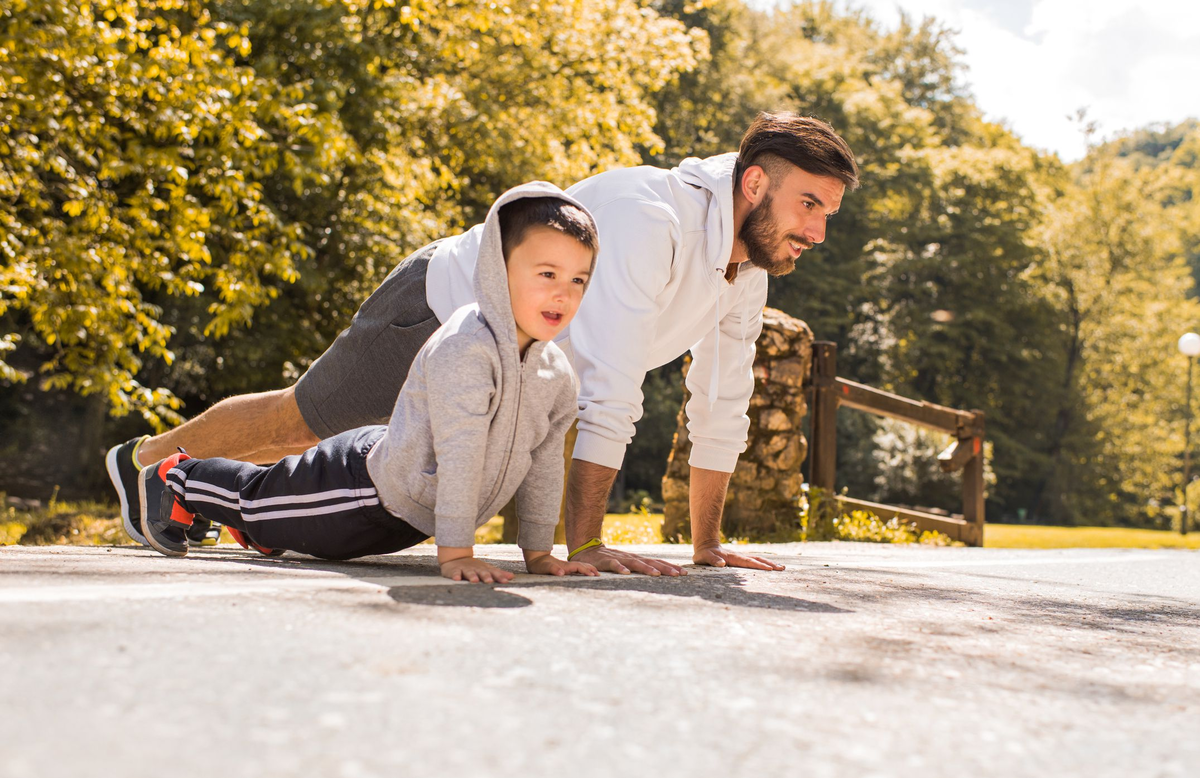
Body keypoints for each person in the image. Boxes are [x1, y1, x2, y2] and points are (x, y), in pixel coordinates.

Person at [108, 112, 859, 574]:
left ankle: (218, 498)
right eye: (810, 205)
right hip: (442, 310)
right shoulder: (651, 216)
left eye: (829, 212)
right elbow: (611, 384)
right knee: (299, 423)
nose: (818, 232)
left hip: (517, 354)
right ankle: (145, 464)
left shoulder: (743, 270)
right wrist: (587, 545)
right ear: (755, 184)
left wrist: (707, 543)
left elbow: (721, 400)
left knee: (379, 478)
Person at [137, 183, 600, 583]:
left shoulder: (554, 373)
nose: (564, 292)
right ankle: (176, 475)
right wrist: (457, 552)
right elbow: (461, 451)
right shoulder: (466, 347)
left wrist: (538, 553)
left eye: (578, 279)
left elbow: (543, 462)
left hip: (406, 510)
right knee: (255, 502)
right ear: (498, 271)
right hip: (362, 490)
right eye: (546, 274)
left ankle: (260, 523)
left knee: (274, 513)